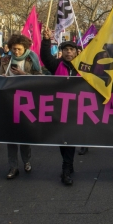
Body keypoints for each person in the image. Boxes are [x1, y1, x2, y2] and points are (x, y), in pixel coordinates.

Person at [0, 34, 43, 179]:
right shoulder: (6, 60)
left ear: (25, 48)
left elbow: (41, 78)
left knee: (24, 135)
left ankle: (26, 161)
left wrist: (24, 74)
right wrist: (2, 78)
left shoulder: (32, 59)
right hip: (9, 101)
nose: (16, 52)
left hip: (27, 101)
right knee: (11, 136)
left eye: (18, 49)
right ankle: (13, 167)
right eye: (13, 49)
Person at [40, 27, 79, 186]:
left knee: (70, 138)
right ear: (62, 52)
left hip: (77, 110)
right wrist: (46, 40)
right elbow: (45, 57)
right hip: (59, 109)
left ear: (76, 52)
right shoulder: (56, 65)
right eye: (66, 50)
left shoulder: (83, 66)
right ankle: (68, 164)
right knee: (62, 139)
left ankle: (66, 169)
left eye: (72, 50)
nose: (69, 52)